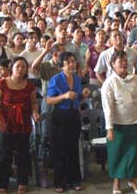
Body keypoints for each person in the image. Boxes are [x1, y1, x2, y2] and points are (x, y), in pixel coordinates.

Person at [101, 50, 137, 194]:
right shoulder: (109, 83)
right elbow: (108, 108)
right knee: (117, 154)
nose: (124, 63)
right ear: (113, 64)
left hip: (135, 122)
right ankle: (117, 183)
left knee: (132, 153)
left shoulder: (136, 79)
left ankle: (132, 180)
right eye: (120, 61)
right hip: (118, 126)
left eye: (126, 61)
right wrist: (109, 128)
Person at [0, 57, 39, 194]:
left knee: (23, 153)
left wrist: (35, 112)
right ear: (11, 67)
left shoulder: (29, 85)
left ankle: (22, 182)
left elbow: (33, 102)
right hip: (6, 123)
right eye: (18, 66)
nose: (21, 69)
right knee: (4, 154)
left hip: (23, 123)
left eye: (23, 67)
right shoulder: (1, 84)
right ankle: (2, 185)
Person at [46, 52, 90, 193]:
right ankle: (60, 182)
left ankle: (74, 180)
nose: (72, 64)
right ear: (61, 65)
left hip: (73, 115)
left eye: (73, 61)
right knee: (60, 149)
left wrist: (83, 94)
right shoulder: (56, 79)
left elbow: (77, 97)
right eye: (68, 62)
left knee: (73, 149)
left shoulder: (76, 78)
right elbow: (49, 100)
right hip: (59, 115)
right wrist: (64, 95)